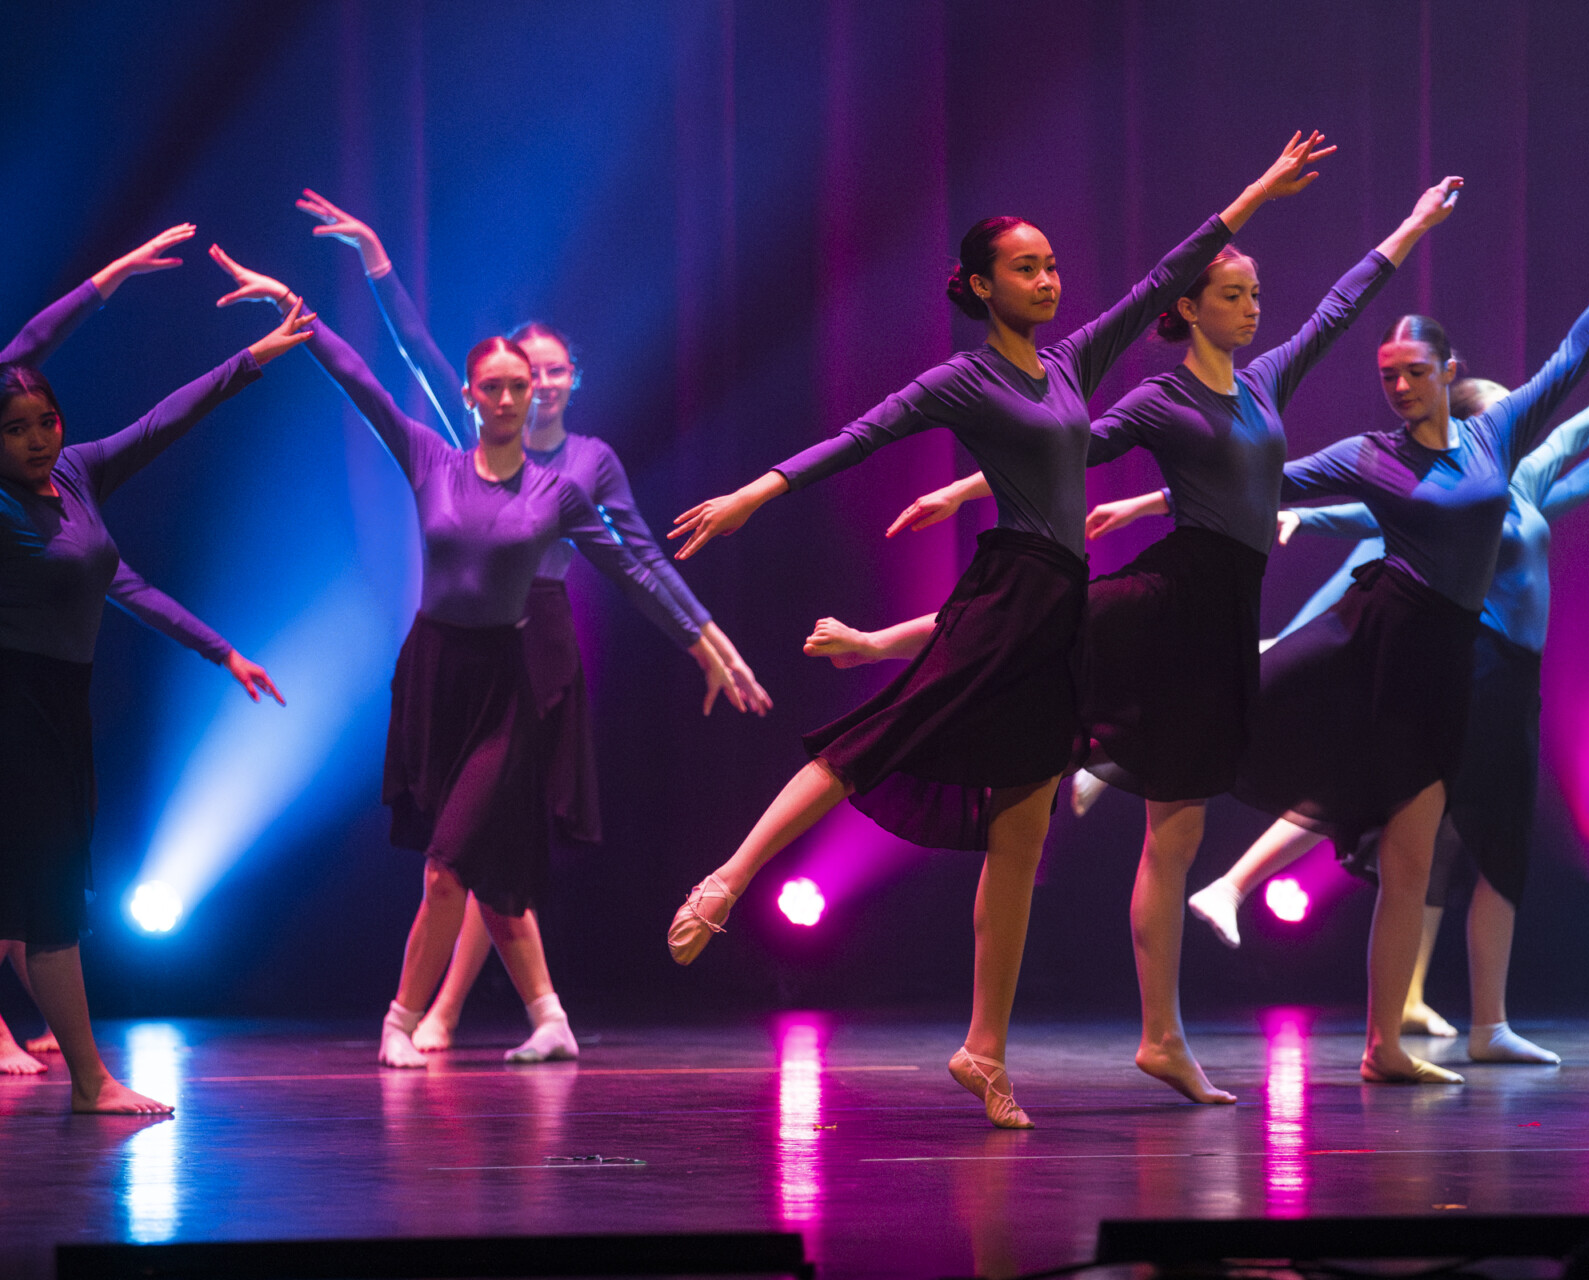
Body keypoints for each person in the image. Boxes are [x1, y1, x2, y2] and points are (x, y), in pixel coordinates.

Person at [664, 131, 1335, 1127]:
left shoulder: (1073, 362)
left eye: (1052, 265)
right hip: (1011, 584)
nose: (1047, 280)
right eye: (1026, 268)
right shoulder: (964, 381)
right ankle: (727, 879)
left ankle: (984, 1050)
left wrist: (1258, 193)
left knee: (1020, 836)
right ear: (981, 286)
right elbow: (860, 437)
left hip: (1061, 602)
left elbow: (1165, 277)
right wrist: (755, 493)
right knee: (876, 738)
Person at [810, 178, 1465, 1105]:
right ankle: (885, 646)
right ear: (1189, 307)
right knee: (1029, 628)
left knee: (1178, 832)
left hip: (1225, 618)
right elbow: (1064, 441)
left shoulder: (1267, 379)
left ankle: (1163, 1040)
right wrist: (963, 489)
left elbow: (1337, 308)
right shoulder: (1161, 396)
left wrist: (1411, 225)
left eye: (1255, 294)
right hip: (1174, 594)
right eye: (1232, 294)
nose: (1253, 308)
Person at [1086, 203, 1589, 1083]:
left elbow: (1570, 362)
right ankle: (1120, 754)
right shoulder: (1369, 454)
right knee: (1259, 708)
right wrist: (1150, 502)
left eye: (1413, 373)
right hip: (1384, 638)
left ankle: (1384, 1048)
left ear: (1449, 373)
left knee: (1411, 866)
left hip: (1451, 665)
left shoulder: (1497, 435)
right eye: (1387, 375)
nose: (1399, 387)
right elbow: (1265, 482)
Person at [209, 246, 742, 1069]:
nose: (506, 398)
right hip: (432, 678)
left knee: (448, 867)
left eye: (518, 386)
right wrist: (291, 304)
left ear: (534, 395)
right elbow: (360, 381)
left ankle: (400, 1021)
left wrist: (701, 641)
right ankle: (548, 1017)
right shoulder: (431, 458)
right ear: (468, 395)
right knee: (480, 864)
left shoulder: (559, 491)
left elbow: (631, 568)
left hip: (503, 686)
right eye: (491, 387)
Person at [1186, 350, 1589, 1065]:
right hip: (1474, 668)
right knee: (1390, 804)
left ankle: (1464, 1017)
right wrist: (1304, 518)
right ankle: (1242, 890)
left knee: (1452, 837)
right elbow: (1366, 514)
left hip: (1512, 680)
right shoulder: (1458, 502)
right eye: (1507, 421)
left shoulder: (1521, 488)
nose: (1522, 431)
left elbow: (1571, 467)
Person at [1, 248, 314, 1111]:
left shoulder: (75, 475)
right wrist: (105, 283)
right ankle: (92, 1082)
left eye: (45, 422)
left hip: (60, 705)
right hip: (13, 705)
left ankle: (73, 1068)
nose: (37, 439)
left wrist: (251, 359)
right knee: (48, 900)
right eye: (15, 429)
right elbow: (17, 351)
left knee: (32, 896)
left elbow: (160, 425)